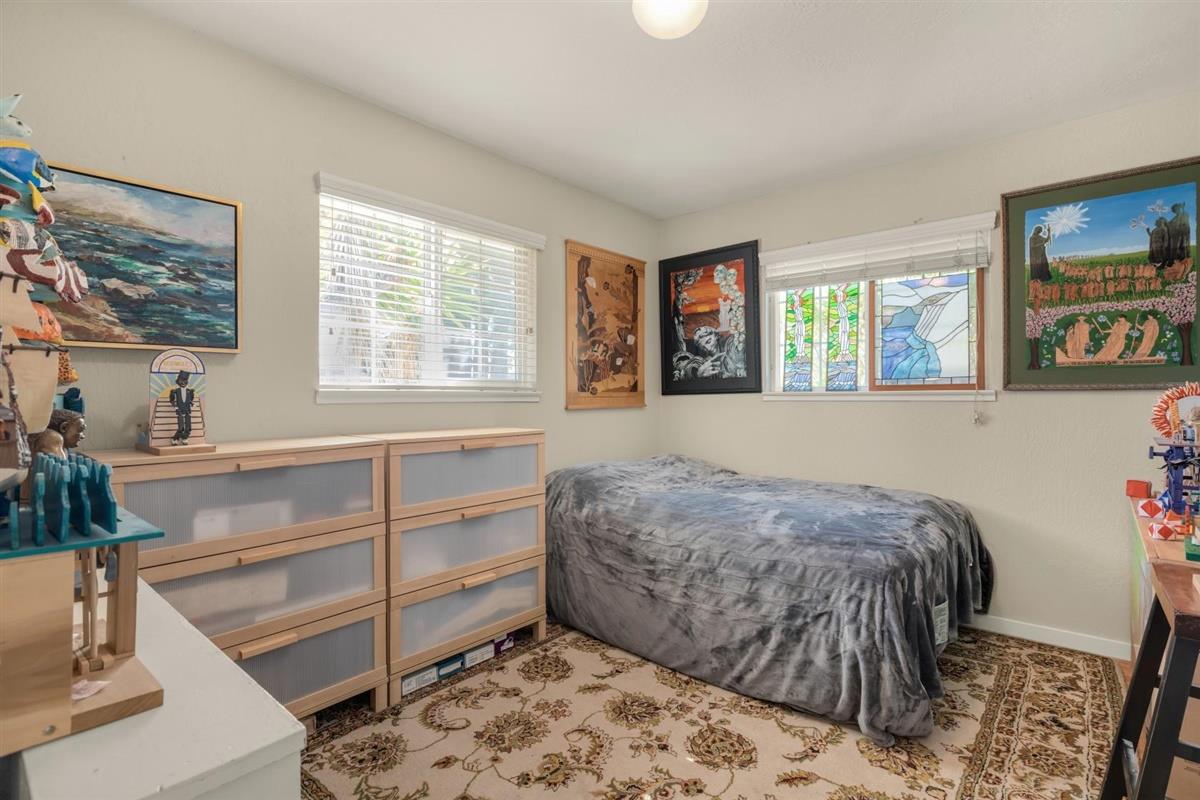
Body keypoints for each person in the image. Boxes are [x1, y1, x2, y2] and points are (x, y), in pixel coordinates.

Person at [169, 370, 195, 445]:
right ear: (178, 381)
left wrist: (192, 403)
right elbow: (172, 400)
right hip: (179, 410)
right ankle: (175, 439)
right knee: (181, 428)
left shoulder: (189, 391)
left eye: (185, 380)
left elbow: (190, 400)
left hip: (187, 410)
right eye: (181, 380)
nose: (183, 382)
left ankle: (184, 437)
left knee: (188, 427)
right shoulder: (175, 391)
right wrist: (175, 407)